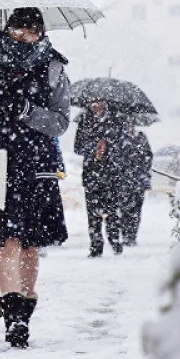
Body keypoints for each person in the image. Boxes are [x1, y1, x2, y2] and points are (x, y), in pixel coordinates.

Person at [0, 7, 70, 348]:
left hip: (37, 165)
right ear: (7, 30)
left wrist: (28, 112)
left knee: (31, 243)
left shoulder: (54, 68)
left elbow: (60, 123)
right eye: (19, 29)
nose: (25, 35)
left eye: (33, 30)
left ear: (41, 31)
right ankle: (13, 317)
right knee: (7, 241)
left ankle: (25, 310)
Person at [74, 101, 130, 257]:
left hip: (111, 174)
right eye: (93, 103)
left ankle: (115, 241)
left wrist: (107, 147)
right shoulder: (84, 121)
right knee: (93, 213)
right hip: (91, 174)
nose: (96, 106)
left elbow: (122, 146)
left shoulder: (116, 120)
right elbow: (77, 147)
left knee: (112, 211)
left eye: (99, 102)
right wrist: (94, 148)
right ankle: (96, 245)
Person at [121, 124, 153, 246]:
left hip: (139, 180)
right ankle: (125, 234)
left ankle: (132, 235)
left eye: (131, 123)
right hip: (124, 180)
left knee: (136, 209)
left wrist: (142, 166)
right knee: (124, 209)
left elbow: (148, 156)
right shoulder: (121, 139)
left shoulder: (141, 137)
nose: (129, 126)